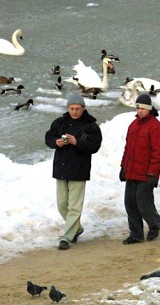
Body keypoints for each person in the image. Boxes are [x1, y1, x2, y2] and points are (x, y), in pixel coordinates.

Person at [45, 92, 102, 250]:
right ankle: (76, 228)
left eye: (77, 108)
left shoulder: (91, 126)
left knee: (74, 206)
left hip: (79, 170)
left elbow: (94, 146)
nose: (74, 111)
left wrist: (76, 142)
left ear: (83, 108)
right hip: (61, 168)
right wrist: (56, 142)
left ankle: (66, 238)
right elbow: (48, 137)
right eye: (71, 108)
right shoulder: (60, 122)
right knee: (61, 204)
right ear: (68, 108)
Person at [119, 94, 160, 244]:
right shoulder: (133, 125)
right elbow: (127, 149)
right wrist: (123, 167)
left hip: (146, 173)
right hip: (131, 171)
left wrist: (153, 173)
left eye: (143, 108)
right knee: (130, 203)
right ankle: (136, 233)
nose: (140, 111)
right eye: (138, 108)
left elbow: (158, 152)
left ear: (150, 109)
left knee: (144, 203)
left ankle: (155, 225)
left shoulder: (156, 127)